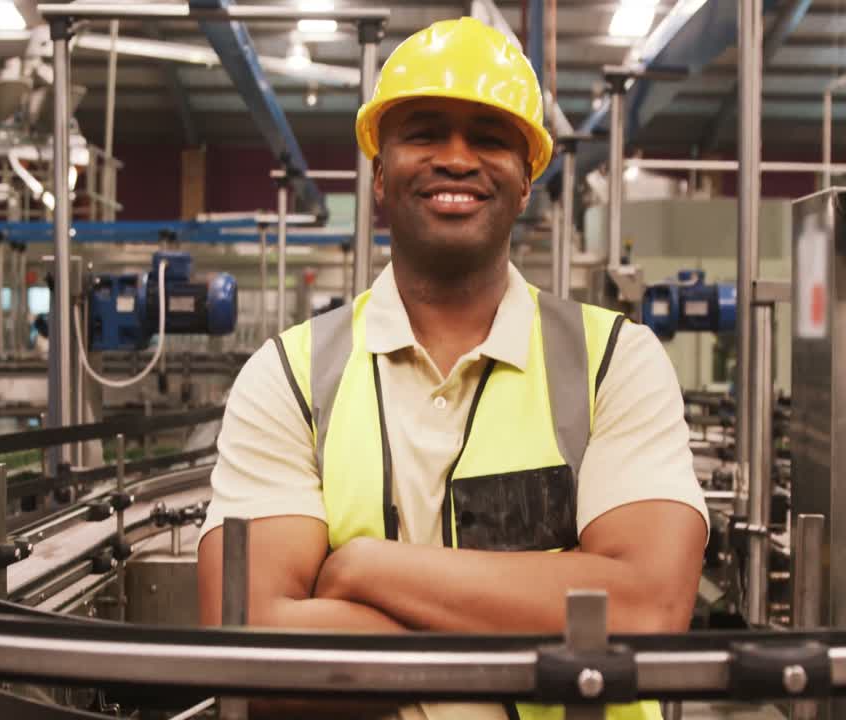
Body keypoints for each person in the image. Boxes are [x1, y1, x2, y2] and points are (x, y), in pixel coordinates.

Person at [197, 17, 707, 720]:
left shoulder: (613, 361)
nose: (457, 158)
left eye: (490, 138)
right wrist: (543, 606)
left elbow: (646, 612)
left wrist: (362, 570)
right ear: (380, 174)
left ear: (526, 182)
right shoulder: (286, 376)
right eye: (426, 131)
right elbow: (251, 646)